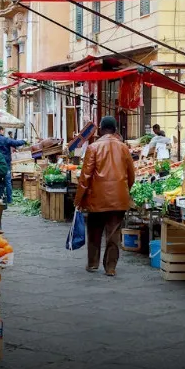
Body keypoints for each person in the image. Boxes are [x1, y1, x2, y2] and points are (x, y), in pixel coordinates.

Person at [74, 116, 135, 277]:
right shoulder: (124, 148)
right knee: (113, 233)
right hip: (118, 198)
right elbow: (131, 175)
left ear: (100, 129)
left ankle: (93, 263)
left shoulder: (93, 147)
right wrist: (123, 190)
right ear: (115, 129)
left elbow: (85, 177)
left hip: (96, 199)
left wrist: (79, 200)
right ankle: (111, 267)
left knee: (94, 231)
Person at [0, 125, 28, 203]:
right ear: (1, 131)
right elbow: (16, 143)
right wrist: (24, 141)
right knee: (8, 182)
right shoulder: (5, 139)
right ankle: (9, 200)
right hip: (5, 164)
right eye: (3, 130)